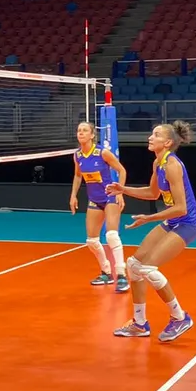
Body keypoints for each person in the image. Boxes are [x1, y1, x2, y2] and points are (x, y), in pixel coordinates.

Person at [107, 122, 196, 343]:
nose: (151, 137)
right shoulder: (157, 163)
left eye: (156, 134)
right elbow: (152, 193)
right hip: (172, 222)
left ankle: (180, 317)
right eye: (152, 133)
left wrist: (148, 219)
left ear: (167, 142)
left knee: (148, 268)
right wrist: (123, 189)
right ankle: (140, 324)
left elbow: (181, 208)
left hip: (187, 223)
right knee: (133, 265)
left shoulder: (172, 165)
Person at [70, 121, 130, 292]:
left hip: (110, 196)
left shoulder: (102, 153)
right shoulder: (78, 155)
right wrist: (73, 195)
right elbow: (77, 176)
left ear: (92, 135)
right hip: (94, 199)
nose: (80, 133)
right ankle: (106, 272)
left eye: (84, 130)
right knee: (91, 241)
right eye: (79, 130)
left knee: (111, 235)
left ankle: (121, 275)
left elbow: (122, 170)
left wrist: (119, 191)